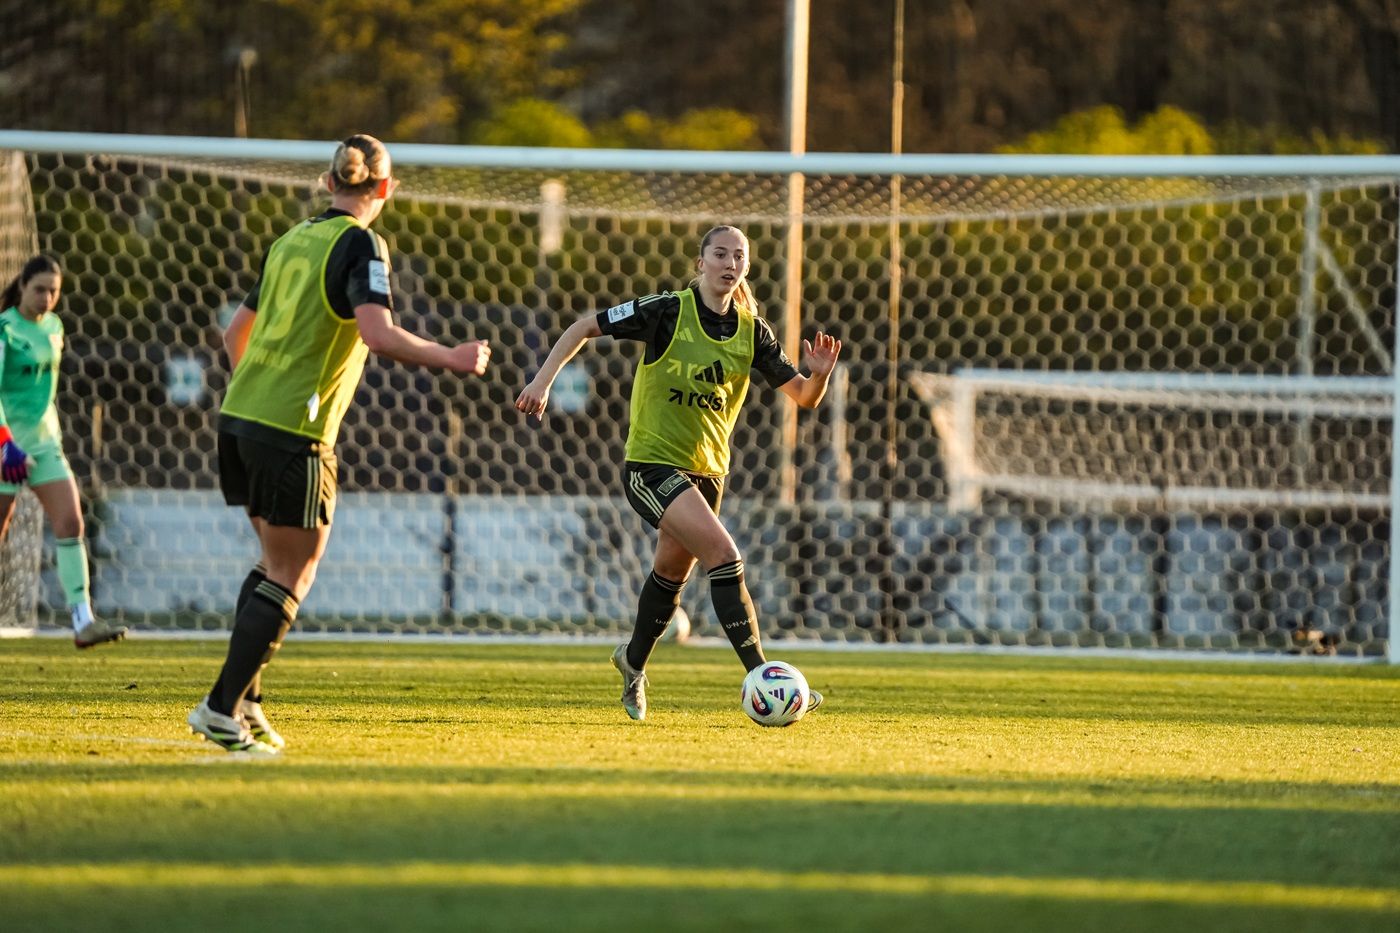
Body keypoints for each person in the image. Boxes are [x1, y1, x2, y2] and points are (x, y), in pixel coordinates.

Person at [188, 134, 492, 754]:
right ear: (384, 188)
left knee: (273, 565)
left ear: (328, 183)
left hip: (241, 414)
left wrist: (262, 388)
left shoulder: (289, 240)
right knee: (294, 570)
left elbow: (233, 334)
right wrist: (451, 357)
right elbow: (377, 335)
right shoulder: (361, 242)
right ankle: (219, 708)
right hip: (293, 427)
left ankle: (245, 703)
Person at [515, 225, 842, 721]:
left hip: (709, 475)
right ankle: (765, 679)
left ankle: (631, 663)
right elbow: (583, 326)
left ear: (746, 268)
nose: (729, 263)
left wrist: (818, 374)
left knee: (671, 572)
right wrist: (542, 381)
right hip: (651, 464)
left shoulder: (753, 332)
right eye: (719, 253)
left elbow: (804, 397)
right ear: (701, 263)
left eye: (739, 256)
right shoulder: (666, 310)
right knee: (724, 554)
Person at [0, 254, 126, 649]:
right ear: (22, 286)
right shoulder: (5, 330)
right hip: (6, 445)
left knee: (71, 523)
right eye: (40, 289)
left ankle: (82, 621)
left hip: (44, 444)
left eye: (54, 291)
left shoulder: (55, 326)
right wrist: (5, 445)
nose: (47, 298)